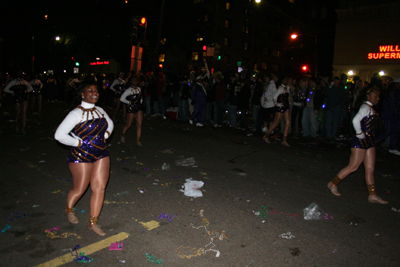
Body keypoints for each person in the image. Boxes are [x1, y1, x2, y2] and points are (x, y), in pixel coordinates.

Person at [54, 82, 114, 236]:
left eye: (96, 91)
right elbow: (59, 135)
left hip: (101, 153)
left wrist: (105, 135)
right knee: (80, 188)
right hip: (81, 155)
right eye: (90, 91)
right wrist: (78, 142)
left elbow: (110, 124)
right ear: (82, 94)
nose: (95, 93)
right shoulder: (75, 114)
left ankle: (93, 223)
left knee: (99, 187)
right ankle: (69, 209)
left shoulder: (100, 110)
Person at [327, 86, 388, 204]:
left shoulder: (370, 108)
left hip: (369, 141)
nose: (378, 99)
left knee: (370, 168)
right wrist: (359, 133)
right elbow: (355, 120)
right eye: (375, 96)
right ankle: (332, 183)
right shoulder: (365, 107)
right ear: (368, 96)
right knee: (353, 166)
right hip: (360, 141)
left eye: (378, 96)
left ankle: (372, 194)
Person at [263, 76, 291, 147]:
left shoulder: (286, 87)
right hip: (280, 107)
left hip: (286, 106)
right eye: (287, 80)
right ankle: (266, 136)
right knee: (276, 123)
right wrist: (277, 104)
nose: (288, 81)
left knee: (288, 122)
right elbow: (274, 97)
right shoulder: (280, 88)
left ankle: (284, 140)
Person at [120, 76, 144, 146]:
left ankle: (138, 140)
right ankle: (122, 135)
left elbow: (141, 97)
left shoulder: (139, 89)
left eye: (136, 81)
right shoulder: (128, 90)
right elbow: (122, 98)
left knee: (139, 124)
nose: (135, 82)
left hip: (138, 107)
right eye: (133, 81)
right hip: (131, 108)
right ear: (131, 82)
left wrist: (140, 103)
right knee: (128, 124)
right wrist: (129, 103)